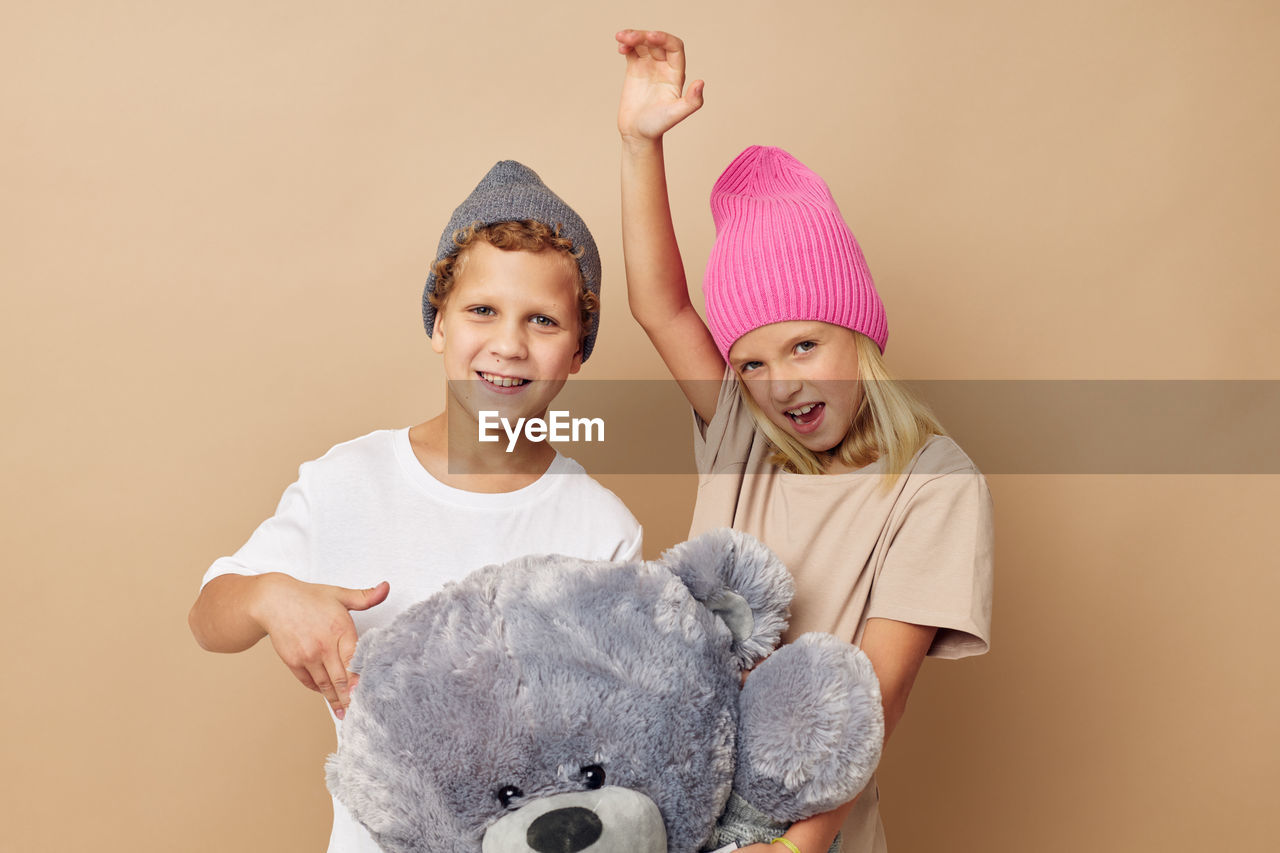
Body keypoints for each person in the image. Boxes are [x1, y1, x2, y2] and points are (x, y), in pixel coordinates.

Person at [188, 160, 643, 853]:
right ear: (438, 323)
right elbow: (209, 616)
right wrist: (270, 596)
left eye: (543, 321)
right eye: (482, 310)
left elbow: (617, 749)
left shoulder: (601, 528)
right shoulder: (349, 480)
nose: (509, 344)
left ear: (578, 350)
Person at [616, 30, 993, 853]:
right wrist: (639, 143)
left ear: (859, 333)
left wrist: (797, 846)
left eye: (804, 346)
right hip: (677, 817)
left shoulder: (935, 484)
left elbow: (878, 694)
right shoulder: (742, 436)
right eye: (750, 361)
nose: (782, 383)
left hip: (814, 836)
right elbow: (660, 306)